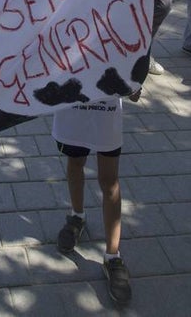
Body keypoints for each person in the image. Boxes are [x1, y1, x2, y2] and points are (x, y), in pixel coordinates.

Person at [52, 63, 143, 306]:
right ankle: (76, 216)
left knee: (109, 180)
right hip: (73, 106)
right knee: (75, 163)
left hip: (106, 111)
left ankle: (113, 256)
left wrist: (135, 78)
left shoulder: (119, 24)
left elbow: (135, 50)